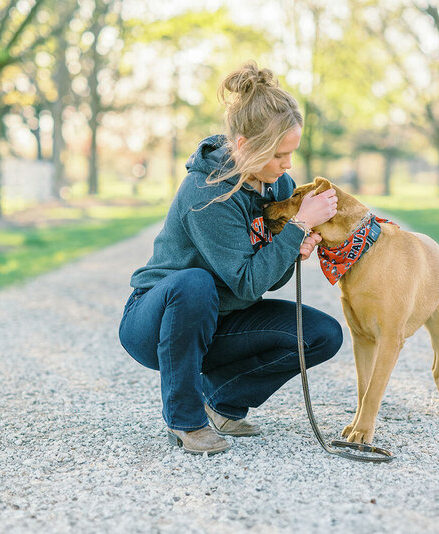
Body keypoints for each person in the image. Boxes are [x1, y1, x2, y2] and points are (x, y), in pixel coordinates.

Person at [118, 62, 343, 455]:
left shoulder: (278, 184)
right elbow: (247, 281)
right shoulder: (206, 192)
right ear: (244, 147)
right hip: (155, 324)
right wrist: (296, 229)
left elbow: (267, 280)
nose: (288, 165)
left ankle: (221, 403)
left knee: (321, 335)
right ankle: (186, 420)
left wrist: (294, 246)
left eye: (292, 153)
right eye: (279, 155)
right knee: (195, 282)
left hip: (222, 321)